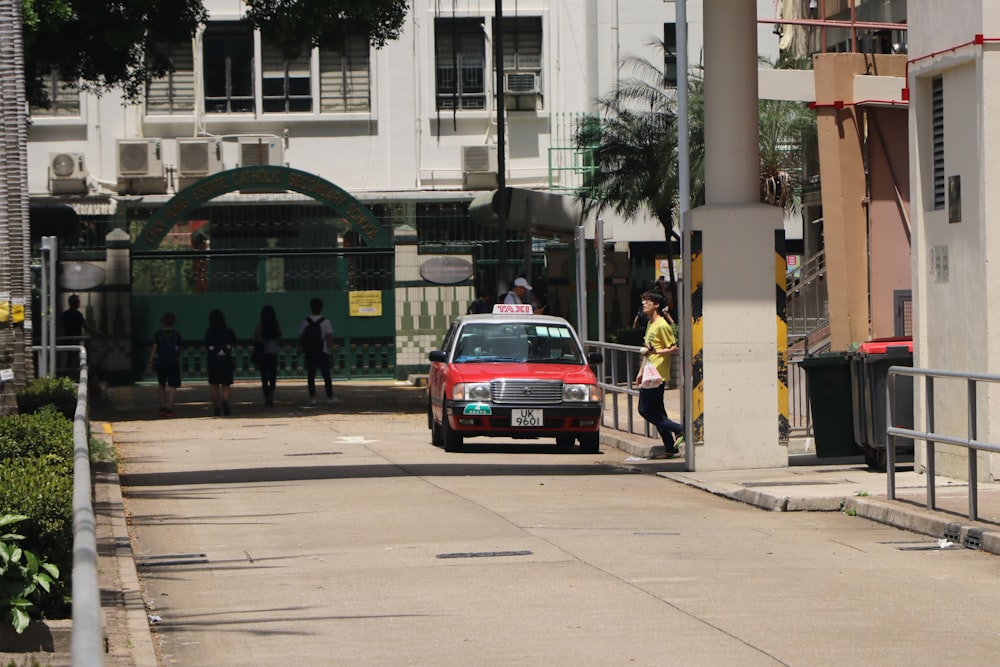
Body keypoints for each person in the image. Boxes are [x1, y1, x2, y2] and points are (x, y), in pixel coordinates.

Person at [633, 291, 684, 457]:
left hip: (657, 374)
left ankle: (680, 429)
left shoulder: (662, 325)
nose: (644, 304)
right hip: (649, 372)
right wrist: (640, 371)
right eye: (643, 301)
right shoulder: (650, 325)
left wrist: (658, 352)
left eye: (647, 301)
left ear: (656, 305)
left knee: (645, 409)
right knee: (658, 412)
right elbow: (647, 351)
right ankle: (670, 447)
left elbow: (674, 348)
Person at [298, 297, 336, 406]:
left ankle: (312, 398)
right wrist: (331, 351)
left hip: (310, 351)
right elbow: (329, 339)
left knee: (311, 375)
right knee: (326, 375)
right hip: (323, 351)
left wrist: (299, 348)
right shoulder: (326, 322)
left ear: (311, 307)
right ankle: (330, 397)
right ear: (321, 307)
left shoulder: (305, 321)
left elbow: (301, 337)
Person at [148, 312, 183, 417]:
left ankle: (162, 407)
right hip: (173, 362)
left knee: (161, 384)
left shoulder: (158, 334)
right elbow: (180, 348)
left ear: (162, 322)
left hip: (161, 361)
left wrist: (150, 361)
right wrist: (176, 356)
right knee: (172, 385)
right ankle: (170, 408)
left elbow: (154, 348)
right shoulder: (176, 335)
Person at [60, 294, 103, 379]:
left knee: (71, 358)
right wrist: (98, 333)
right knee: (74, 358)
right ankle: (73, 376)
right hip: (75, 340)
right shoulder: (77, 314)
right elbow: (85, 326)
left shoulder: (65, 315)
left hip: (68, 339)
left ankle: (68, 375)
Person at [205, 309, 236, 416]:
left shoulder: (209, 332)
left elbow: (206, 346)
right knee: (226, 384)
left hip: (213, 361)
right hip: (226, 360)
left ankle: (216, 408)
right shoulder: (229, 331)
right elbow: (234, 342)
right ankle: (225, 400)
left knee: (214, 385)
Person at [254, 305, 282, 407]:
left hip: (263, 353)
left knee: (264, 377)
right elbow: (279, 335)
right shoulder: (275, 326)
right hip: (273, 353)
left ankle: (266, 395)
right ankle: (271, 394)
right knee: (273, 376)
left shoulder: (259, 326)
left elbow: (256, 339)